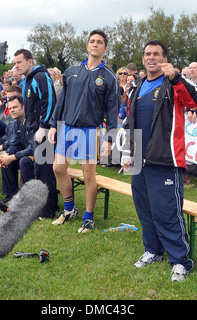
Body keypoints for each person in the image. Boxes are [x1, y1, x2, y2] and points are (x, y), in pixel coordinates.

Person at [121, 40, 197, 282]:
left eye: (157, 54)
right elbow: (131, 122)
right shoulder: (137, 86)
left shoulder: (173, 82)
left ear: (164, 59)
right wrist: (128, 153)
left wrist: (177, 78)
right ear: (142, 58)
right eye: (148, 53)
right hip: (139, 158)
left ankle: (181, 261)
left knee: (167, 211)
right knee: (145, 209)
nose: (152, 57)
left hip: (165, 158)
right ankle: (153, 250)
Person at [48, 30, 119, 233]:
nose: (95, 45)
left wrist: (109, 138)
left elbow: (112, 110)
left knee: (89, 176)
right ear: (87, 46)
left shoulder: (109, 77)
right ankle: (69, 209)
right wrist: (54, 124)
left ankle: (88, 218)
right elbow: (62, 101)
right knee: (58, 169)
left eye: (99, 42)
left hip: (90, 131)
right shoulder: (70, 71)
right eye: (92, 41)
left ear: (105, 49)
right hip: (68, 128)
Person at [13, 48, 58, 219]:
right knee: (39, 169)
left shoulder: (40, 76)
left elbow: (50, 102)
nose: (15, 66)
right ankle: (43, 207)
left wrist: (43, 126)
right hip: (34, 131)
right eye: (14, 63)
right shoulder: (27, 80)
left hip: (44, 132)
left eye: (19, 62)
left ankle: (48, 211)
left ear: (30, 61)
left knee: (45, 171)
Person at [0, 95, 36, 200]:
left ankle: (28, 198)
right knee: (6, 160)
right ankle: (11, 195)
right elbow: (16, 143)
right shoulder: (16, 122)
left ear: (23, 106)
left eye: (15, 107)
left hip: (41, 156)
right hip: (26, 154)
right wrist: (7, 154)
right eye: (10, 108)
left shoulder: (32, 121)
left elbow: (33, 148)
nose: (12, 110)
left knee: (24, 161)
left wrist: (13, 157)